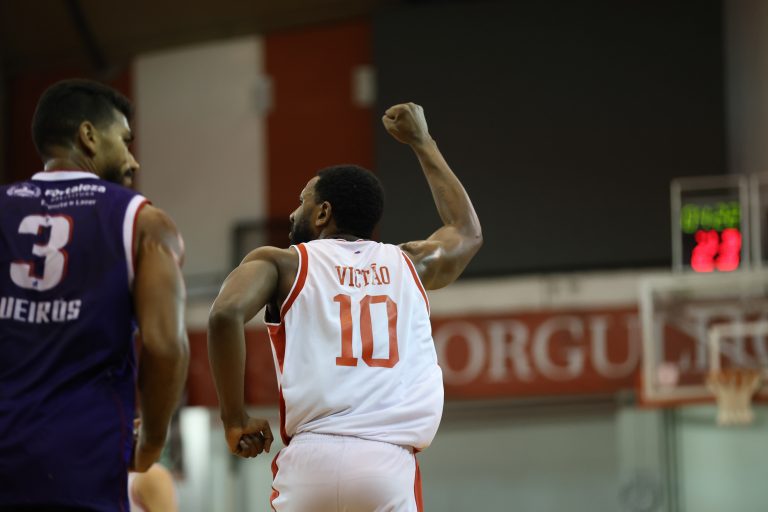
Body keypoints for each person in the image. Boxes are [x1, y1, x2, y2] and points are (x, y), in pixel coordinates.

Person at [208, 102, 482, 511]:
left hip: (309, 463)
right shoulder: (410, 263)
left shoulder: (282, 264)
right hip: (386, 464)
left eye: (302, 201)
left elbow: (224, 313)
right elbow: (466, 231)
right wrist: (422, 141)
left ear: (323, 213)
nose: (293, 212)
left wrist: (234, 419)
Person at [0, 79, 189, 511]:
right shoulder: (144, 222)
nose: (133, 159)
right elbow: (166, 345)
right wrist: (152, 441)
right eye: (124, 141)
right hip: (85, 457)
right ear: (88, 135)